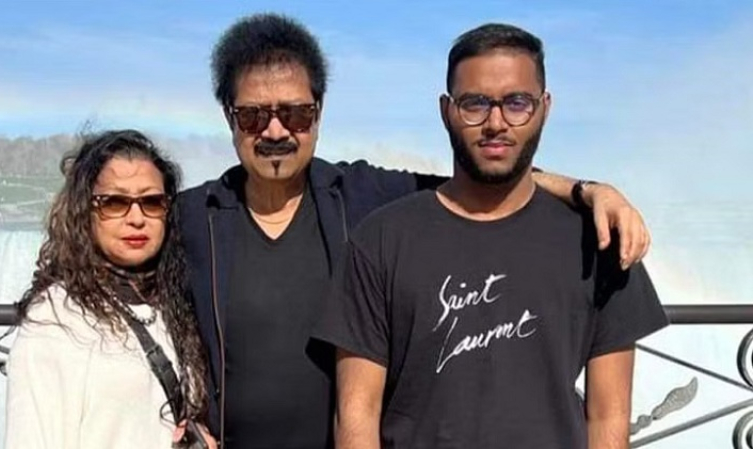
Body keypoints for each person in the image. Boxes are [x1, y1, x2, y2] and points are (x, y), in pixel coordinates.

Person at [178, 13, 652, 449]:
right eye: (253, 116)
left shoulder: (360, 197)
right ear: (229, 117)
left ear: (317, 113)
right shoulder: (194, 218)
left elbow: (485, 173)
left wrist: (587, 191)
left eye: (295, 113)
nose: (275, 131)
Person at [312, 23, 669, 449]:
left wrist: (590, 191)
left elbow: (608, 417)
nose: (495, 123)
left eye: (517, 103)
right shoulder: (381, 240)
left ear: (544, 107)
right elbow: (356, 416)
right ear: (446, 110)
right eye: (475, 103)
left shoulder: (598, 242)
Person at [5, 130, 217, 449]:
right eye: (114, 203)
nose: (136, 218)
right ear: (84, 210)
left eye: (152, 202)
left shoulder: (176, 305)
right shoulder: (56, 320)